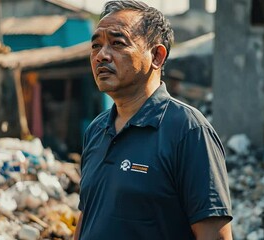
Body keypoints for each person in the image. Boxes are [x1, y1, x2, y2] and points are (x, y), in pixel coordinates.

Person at [75, 1, 232, 239]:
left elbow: (215, 236)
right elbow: (88, 217)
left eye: (117, 43)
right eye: (96, 45)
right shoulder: (97, 130)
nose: (101, 56)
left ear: (157, 56)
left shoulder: (188, 130)